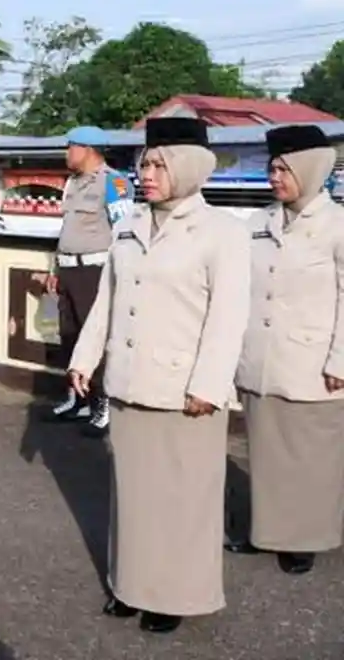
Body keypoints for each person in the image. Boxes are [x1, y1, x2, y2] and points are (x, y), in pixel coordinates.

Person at [69, 116, 250, 635]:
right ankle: (131, 584)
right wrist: (85, 359)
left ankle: (173, 593)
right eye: (145, 163)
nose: (146, 174)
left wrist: (209, 385)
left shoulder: (223, 233)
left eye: (158, 164)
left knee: (181, 500)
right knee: (134, 498)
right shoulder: (129, 226)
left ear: (190, 168)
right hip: (129, 383)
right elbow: (108, 300)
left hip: (184, 391)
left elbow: (228, 316)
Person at [231, 124, 344, 575]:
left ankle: (305, 536)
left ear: (312, 169)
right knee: (267, 452)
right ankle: (269, 530)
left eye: (284, 169)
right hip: (261, 359)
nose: (274, 177)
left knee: (310, 457)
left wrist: (341, 360)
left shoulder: (337, 225)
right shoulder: (258, 224)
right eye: (271, 168)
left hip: (313, 361)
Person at [47, 125, 134, 437]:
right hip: (69, 270)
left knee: (96, 338)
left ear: (88, 149)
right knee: (70, 336)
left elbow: (124, 232)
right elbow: (65, 231)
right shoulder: (72, 183)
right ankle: (79, 400)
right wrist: (55, 269)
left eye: (71, 147)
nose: (67, 153)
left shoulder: (115, 182)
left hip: (95, 271)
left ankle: (104, 405)